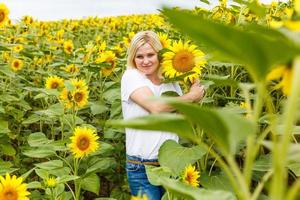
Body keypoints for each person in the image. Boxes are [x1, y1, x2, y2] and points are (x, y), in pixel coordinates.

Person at [121, 30, 205, 200]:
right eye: (139, 56)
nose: (145, 61)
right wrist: (191, 96)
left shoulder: (171, 81)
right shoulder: (131, 76)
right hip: (142, 169)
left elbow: (181, 110)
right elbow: (157, 107)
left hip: (171, 165)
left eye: (150, 55)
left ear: (159, 54)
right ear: (133, 58)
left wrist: (192, 80)